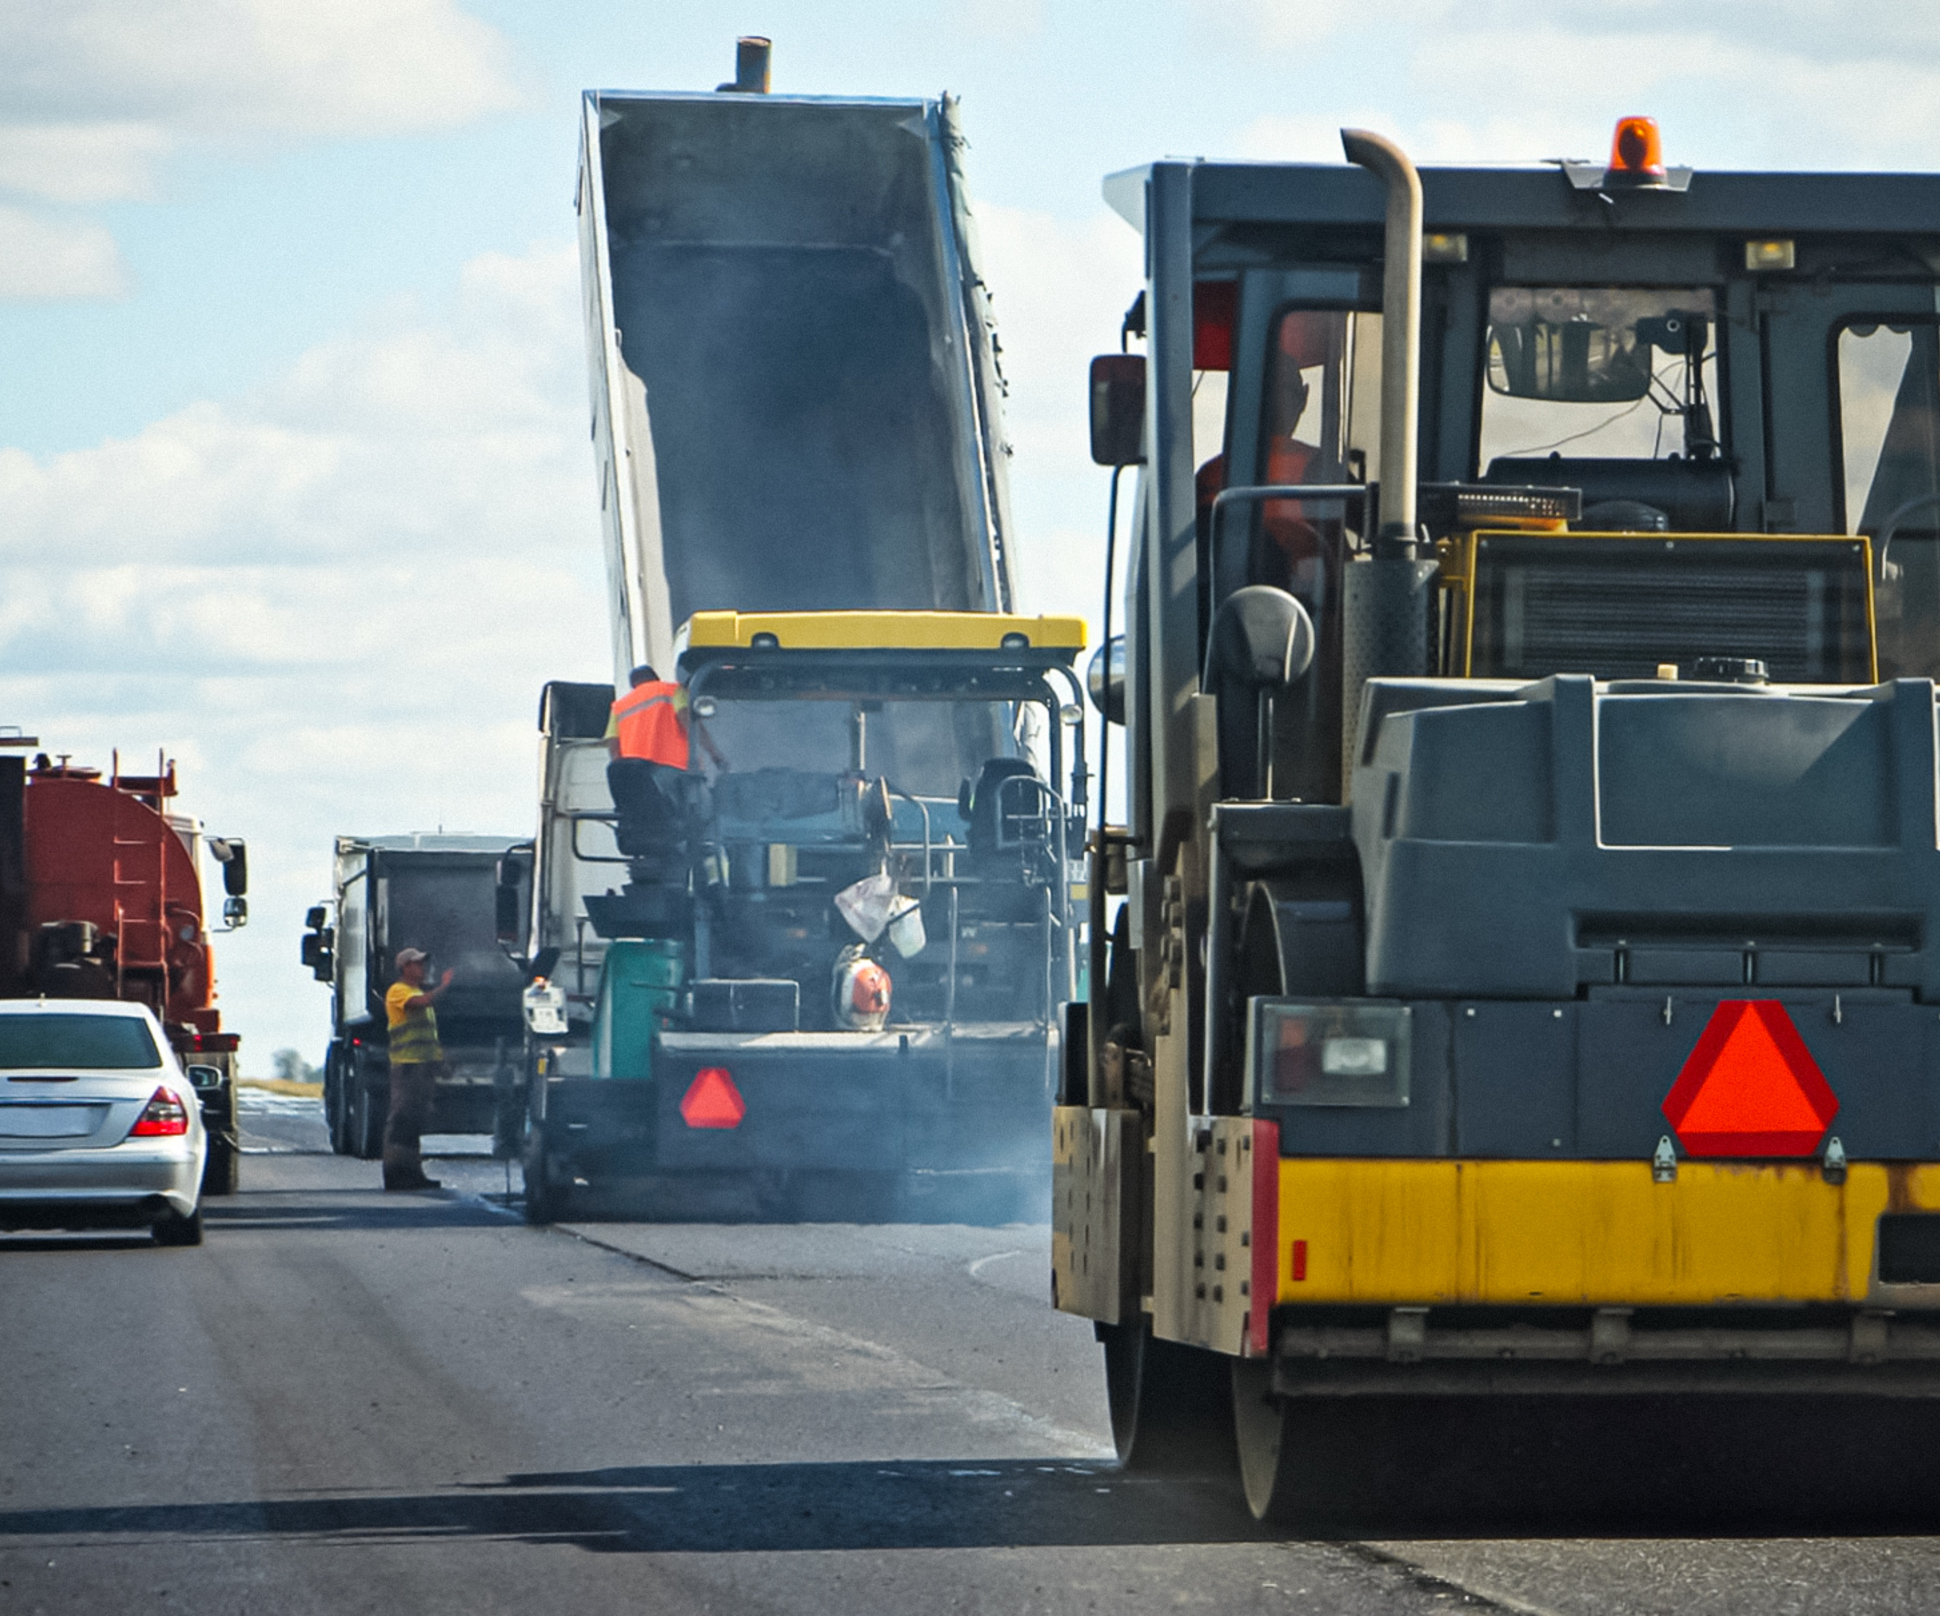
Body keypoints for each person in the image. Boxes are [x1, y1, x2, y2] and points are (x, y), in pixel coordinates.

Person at [383, 947, 453, 1191]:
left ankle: (412, 1174)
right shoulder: (398, 991)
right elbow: (419, 1003)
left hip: (422, 1068)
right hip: (407, 1067)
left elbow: (427, 1036)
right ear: (405, 968)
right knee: (402, 1121)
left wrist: (439, 1062)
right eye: (418, 964)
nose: (423, 968)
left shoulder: (416, 990)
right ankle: (395, 1174)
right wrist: (444, 986)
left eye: (423, 963)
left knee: (414, 1123)